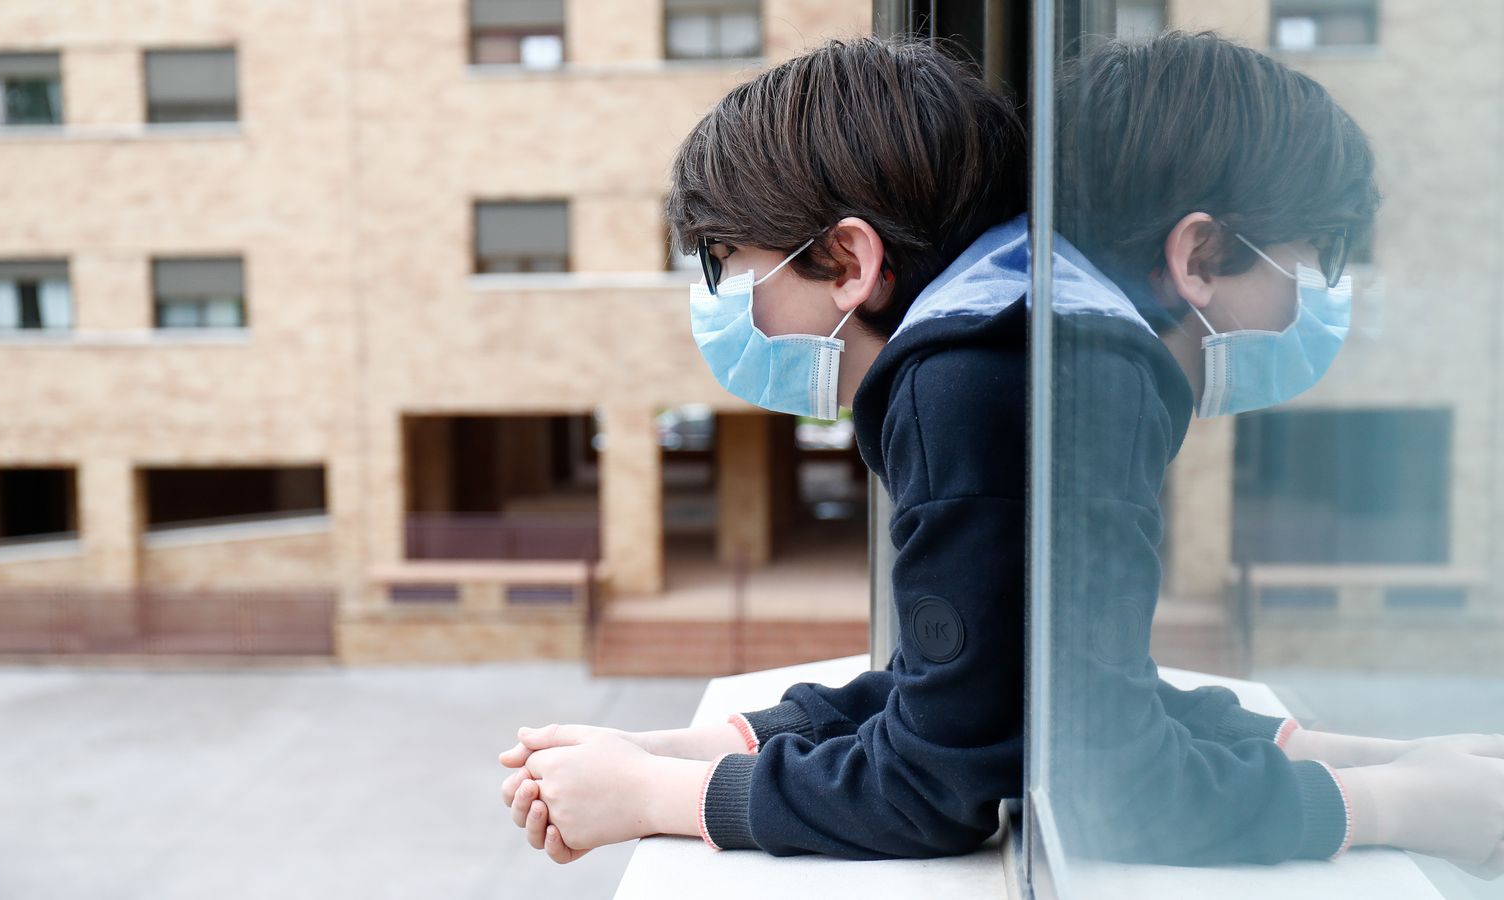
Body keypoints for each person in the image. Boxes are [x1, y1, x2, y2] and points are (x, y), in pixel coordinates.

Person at [497, 33, 1504, 873]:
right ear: (1194, 253)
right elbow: (1000, 695)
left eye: (731, 268)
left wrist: (658, 796)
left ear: (847, 260)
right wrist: (696, 746)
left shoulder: (986, 381)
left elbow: (1004, 785)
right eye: (1317, 260)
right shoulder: (1027, 364)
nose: (723, 306)